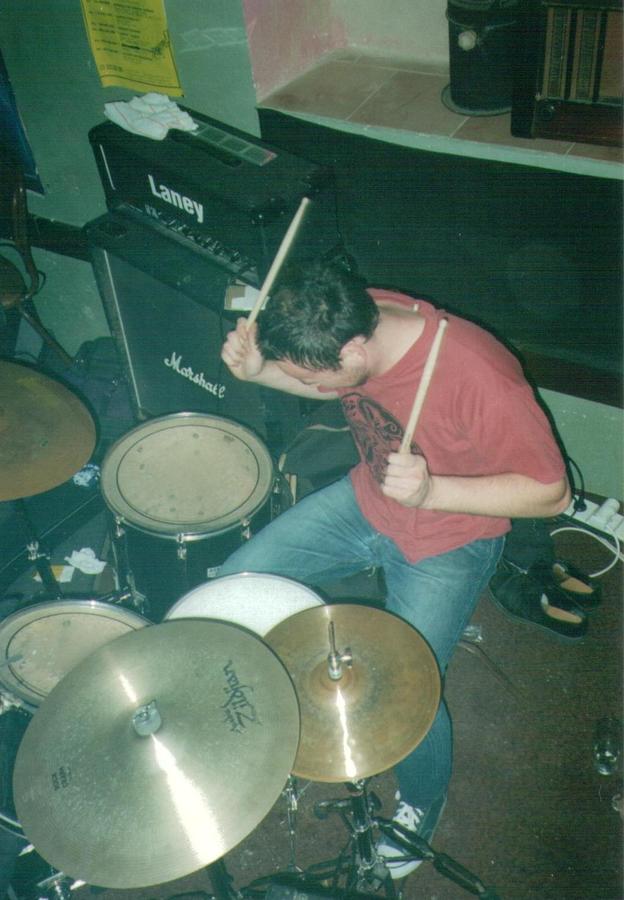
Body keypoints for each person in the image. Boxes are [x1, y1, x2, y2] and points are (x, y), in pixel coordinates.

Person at [220, 259, 570, 878]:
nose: (303, 383)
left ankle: (422, 801)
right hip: (367, 499)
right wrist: (261, 371)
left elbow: (551, 494)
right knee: (240, 581)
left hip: (450, 538)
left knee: (411, 687)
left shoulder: (479, 374)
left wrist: (433, 491)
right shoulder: (349, 314)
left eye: (306, 372)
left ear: (354, 349)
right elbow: (331, 385)